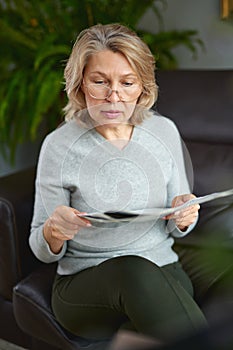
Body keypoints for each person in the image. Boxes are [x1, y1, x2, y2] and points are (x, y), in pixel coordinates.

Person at [29, 23, 207, 346]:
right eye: (100, 82)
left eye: (127, 83)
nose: (114, 96)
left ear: (143, 87)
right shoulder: (58, 146)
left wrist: (184, 217)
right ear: (80, 83)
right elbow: (42, 250)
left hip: (163, 270)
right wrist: (53, 232)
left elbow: (177, 225)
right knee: (133, 271)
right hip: (83, 284)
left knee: (150, 288)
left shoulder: (164, 131)